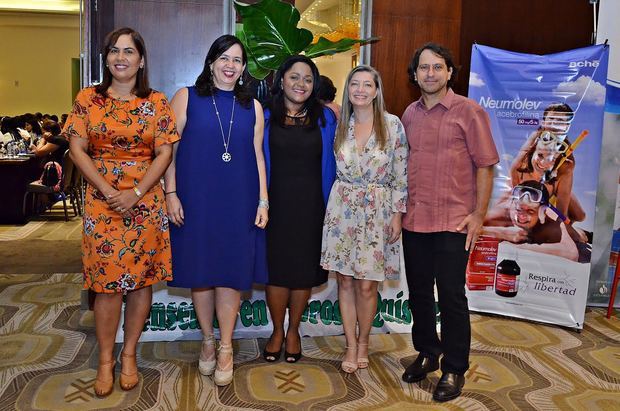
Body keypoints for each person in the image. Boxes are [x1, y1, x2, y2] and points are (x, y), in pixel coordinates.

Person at [65, 27, 179, 398]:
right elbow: (77, 148)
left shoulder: (157, 102)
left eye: (129, 52)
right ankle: (104, 359)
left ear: (141, 60)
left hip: (144, 203)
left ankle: (129, 354)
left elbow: (164, 153)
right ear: (107, 58)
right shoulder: (88, 99)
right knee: (107, 286)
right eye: (114, 51)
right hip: (103, 203)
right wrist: (108, 189)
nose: (121, 57)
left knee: (142, 282)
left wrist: (138, 191)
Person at [164, 34, 268, 386]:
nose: (230, 65)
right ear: (211, 62)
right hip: (196, 198)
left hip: (239, 199)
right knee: (202, 271)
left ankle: (226, 346)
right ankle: (207, 340)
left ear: (243, 69)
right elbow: (168, 151)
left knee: (231, 273)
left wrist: (263, 199)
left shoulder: (251, 106)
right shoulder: (186, 98)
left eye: (237, 60)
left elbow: (257, 156)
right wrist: (171, 193)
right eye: (224, 58)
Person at [400, 43, 499, 402]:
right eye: (423, 68)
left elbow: (486, 165)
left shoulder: (468, 111)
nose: (430, 74)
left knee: (453, 298)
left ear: (449, 72)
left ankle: (455, 367)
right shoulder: (408, 115)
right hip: (415, 221)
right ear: (415, 75)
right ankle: (428, 352)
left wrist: (479, 215)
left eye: (437, 67)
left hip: (454, 223)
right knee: (420, 294)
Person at [321, 65, 408, 373]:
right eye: (354, 84)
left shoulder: (392, 124)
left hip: (378, 211)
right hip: (343, 208)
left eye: (366, 84)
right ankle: (348, 344)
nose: (360, 89)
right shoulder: (337, 124)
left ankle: (364, 343)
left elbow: (401, 173)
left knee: (368, 286)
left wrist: (398, 214)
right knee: (344, 280)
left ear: (376, 90)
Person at [262, 56, 337, 363]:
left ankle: (294, 330)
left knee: (303, 273)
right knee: (277, 272)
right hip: (273, 204)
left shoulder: (326, 118)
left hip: (312, 204)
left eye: (307, 79)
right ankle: (277, 330)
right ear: (282, 81)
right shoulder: (264, 115)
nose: (301, 84)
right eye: (294, 77)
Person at [482, 181, 579, 261]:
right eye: (519, 210)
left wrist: (519, 248)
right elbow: (469, 226)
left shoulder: (550, 220)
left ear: (542, 212)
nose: (522, 216)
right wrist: (502, 233)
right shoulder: (503, 211)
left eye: (530, 211)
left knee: (580, 233)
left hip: (576, 233)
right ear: (512, 204)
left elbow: (572, 253)